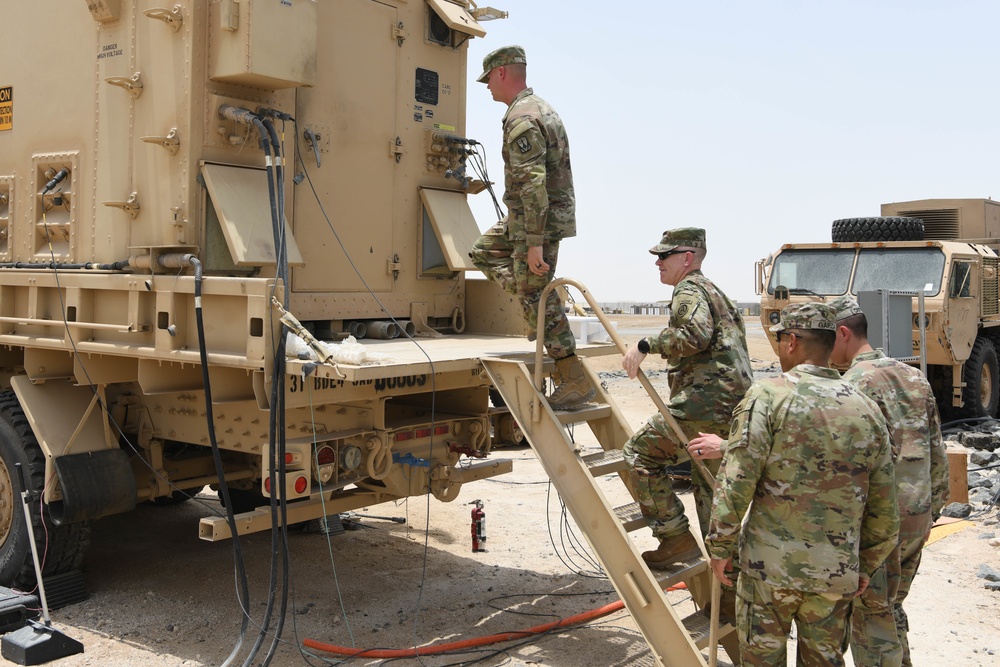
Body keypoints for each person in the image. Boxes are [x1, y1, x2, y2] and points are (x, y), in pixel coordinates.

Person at [705, 302, 899, 667]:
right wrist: (864, 565)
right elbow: (884, 509)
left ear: (792, 341)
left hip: (769, 573)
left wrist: (721, 545)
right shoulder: (865, 408)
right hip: (834, 574)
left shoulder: (767, 397)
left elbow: (737, 479)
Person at [620, 227, 753, 572]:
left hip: (702, 404)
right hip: (729, 407)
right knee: (712, 496)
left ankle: (674, 536)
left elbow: (694, 334)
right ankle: (727, 603)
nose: (658, 263)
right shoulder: (714, 291)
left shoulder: (689, 288)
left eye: (664, 256)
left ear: (687, 258)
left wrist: (646, 344)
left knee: (639, 454)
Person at [829, 295, 949, 667]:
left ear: (842, 333)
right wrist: (932, 510)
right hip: (918, 515)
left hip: (880, 527)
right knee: (889, 608)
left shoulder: (851, 385)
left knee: (871, 619)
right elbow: (937, 453)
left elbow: (848, 469)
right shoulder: (913, 376)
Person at [469, 45, 592, 408]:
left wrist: (535, 242)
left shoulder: (522, 117)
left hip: (536, 224)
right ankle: (530, 303)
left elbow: (533, 183)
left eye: (489, 78)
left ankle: (573, 377)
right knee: (483, 252)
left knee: (537, 294)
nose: (487, 86)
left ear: (503, 73)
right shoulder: (538, 108)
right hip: (527, 218)